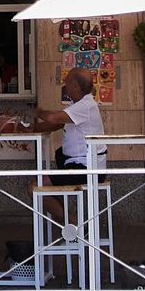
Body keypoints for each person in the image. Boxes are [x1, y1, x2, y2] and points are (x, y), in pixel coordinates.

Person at [31, 67, 105, 221]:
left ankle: (74, 224)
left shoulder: (85, 106)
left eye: (67, 84)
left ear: (75, 86)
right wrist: (30, 128)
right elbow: (55, 124)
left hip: (85, 168)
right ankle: (71, 223)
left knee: (35, 187)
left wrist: (39, 112)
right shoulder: (79, 106)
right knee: (44, 186)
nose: (65, 88)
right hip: (80, 166)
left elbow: (53, 118)